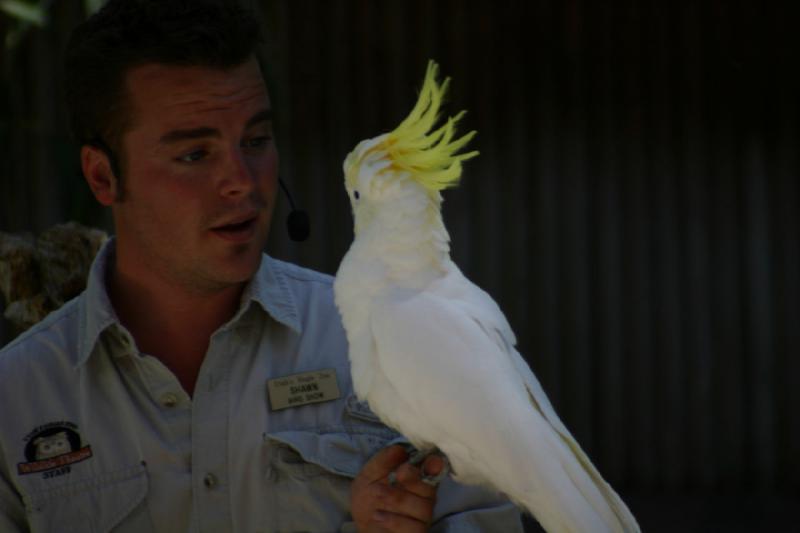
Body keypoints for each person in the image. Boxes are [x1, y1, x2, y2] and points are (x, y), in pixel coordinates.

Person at [0, 1, 523, 531]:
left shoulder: (388, 339)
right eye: (194, 154)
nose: (243, 181)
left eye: (255, 141)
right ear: (102, 177)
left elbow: (488, 517)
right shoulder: (18, 398)